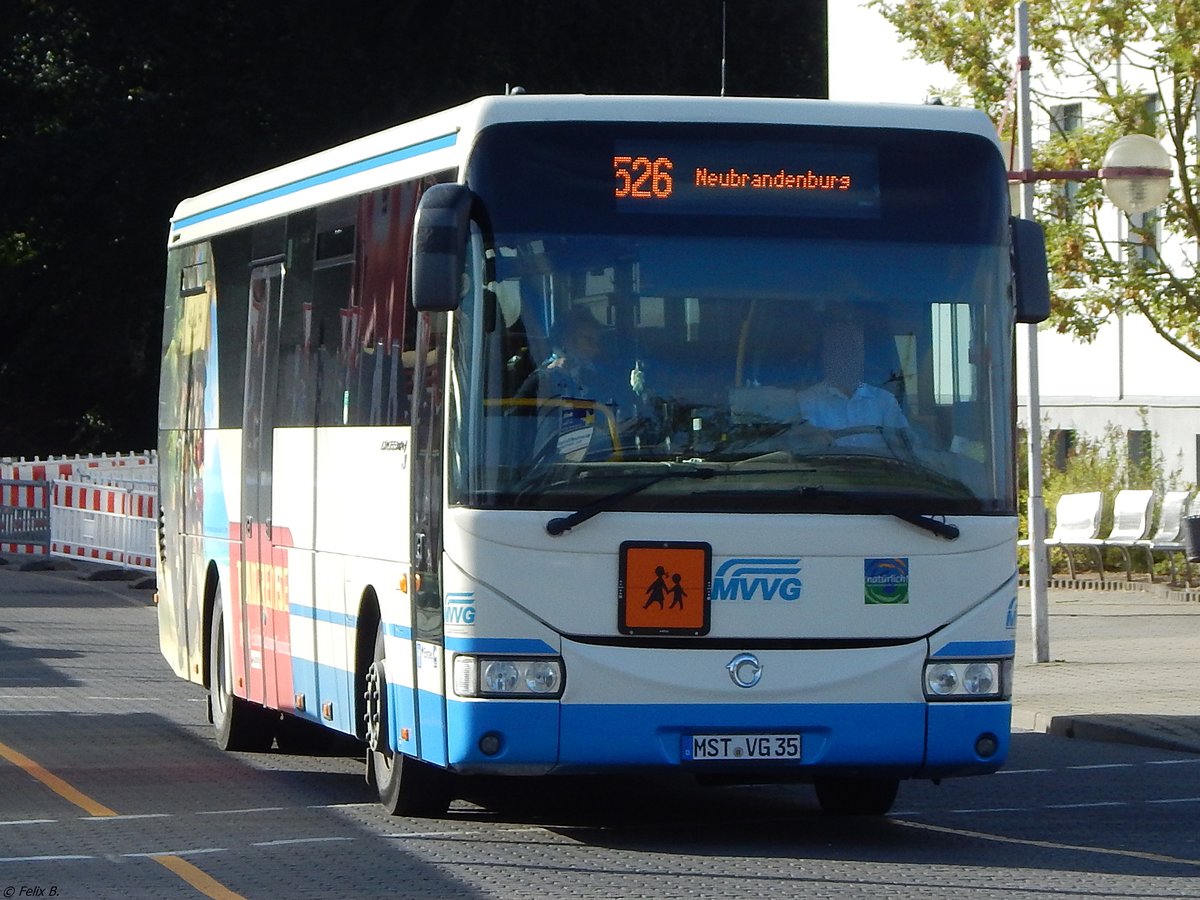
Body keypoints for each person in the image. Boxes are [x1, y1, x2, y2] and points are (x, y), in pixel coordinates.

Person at [795, 319, 909, 437]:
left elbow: (906, 444)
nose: (848, 356)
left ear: (863, 355)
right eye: (839, 349)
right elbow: (805, 444)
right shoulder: (806, 401)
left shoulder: (885, 401)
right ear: (826, 356)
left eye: (853, 349)